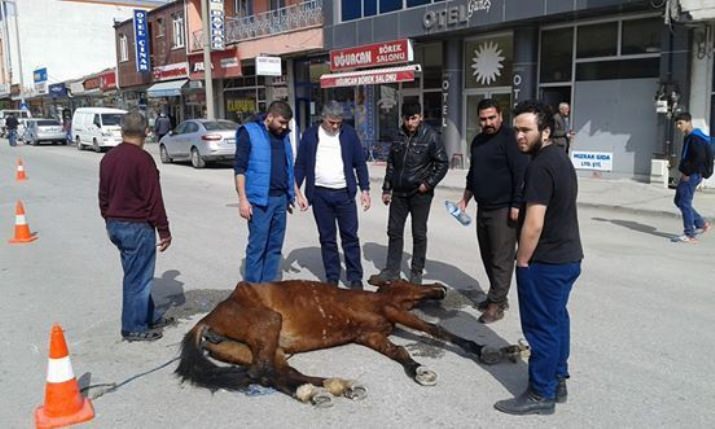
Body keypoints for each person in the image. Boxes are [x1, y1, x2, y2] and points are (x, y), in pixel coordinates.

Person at [494, 100, 583, 415]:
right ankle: (557, 379)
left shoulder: (540, 166)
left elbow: (533, 223)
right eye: (516, 130)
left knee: (541, 327)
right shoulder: (559, 158)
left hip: (546, 261)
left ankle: (540, 393)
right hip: (569, 257)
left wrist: (522, 261)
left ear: (545, 131)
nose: (519, 136)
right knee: (557, 321)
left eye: (526, 130)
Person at [98, 109, 173, 342]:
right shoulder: (143, 160)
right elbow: (153, 199)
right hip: (136, 226)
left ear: (122, 131)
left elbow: (103, 195)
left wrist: (109, 217)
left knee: (136, 273)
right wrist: (164, 230)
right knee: (138, 279)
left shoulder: (108, 158)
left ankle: (148, 315)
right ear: (146, 132)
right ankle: (133, 327)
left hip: (115, 224)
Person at [456, 98, 529, 324]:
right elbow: (474, 173)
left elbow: (521, 173)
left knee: (502, 258)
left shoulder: (510, 139)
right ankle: (496, 295)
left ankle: (497, 304)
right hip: (483, 207)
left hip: (504, 209)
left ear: (500, 116)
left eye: (491, 118)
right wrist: (465, 199)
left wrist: (516, 204)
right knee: (487, 254)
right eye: (483, 119)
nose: (487, 122)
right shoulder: (478, 141)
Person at [369, 102, 448, 285]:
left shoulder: (431, 136)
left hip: (420, 194)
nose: (410, 123)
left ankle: (416, 272)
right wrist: (387, 188)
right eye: (407, 119)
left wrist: (428, 184)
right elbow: (391, 163)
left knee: (418, 233)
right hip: (399, 193)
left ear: (420, 117)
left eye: (414, 118)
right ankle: (392, 270)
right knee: (394, 232)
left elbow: (442, 163)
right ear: (402, 119)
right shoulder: (398, 135)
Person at [294, 101, 371, 289]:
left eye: (339, 123)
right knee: (327, 238)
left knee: (350, 237)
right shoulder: (310, 136)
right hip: (319, 194)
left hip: (344, 194)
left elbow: (359, 163)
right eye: (331, 122)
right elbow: (301, 165)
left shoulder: (349, 135)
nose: (335, 126)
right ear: (323, 118)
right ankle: (332, 277)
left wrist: (365, 190)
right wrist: (296, 192)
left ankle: (354, 277)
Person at [235, 100, 300, 283]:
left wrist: (295, 193)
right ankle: (253, 292)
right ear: (270, 117)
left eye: (287, 123)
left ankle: (269, 287)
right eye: (281, 122)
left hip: (280, 200)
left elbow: (288, 167)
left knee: (275, 247)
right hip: (259, 201)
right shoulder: (249, 133)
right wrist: (243, 200)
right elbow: (239, 169)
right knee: (258, 247)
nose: (284, 126)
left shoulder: (283, 135)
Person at [672, 112, 712, 243]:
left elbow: (699, 158)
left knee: (684, 202)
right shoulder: (692, 136)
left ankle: (689, 234)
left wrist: (687, 172)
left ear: (688, 122)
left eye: (680, 123)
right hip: (691, 174)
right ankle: (701, 224)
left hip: (691, 175)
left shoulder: (695, 138)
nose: (678, 126)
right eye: (677, 124)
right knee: (679, 200)